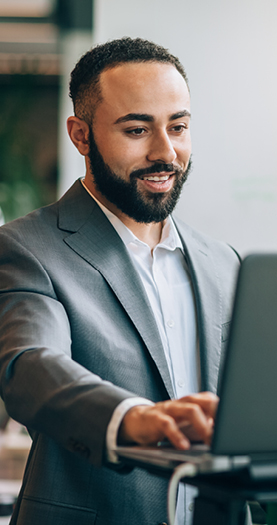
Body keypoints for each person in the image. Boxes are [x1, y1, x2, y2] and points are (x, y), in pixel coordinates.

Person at [0, 38, 240, 525]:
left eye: (179, 127)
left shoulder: (225, 262)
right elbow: (29, 366)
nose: (165, 152)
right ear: (81, 135)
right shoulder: (27, 248)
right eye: (137, 129)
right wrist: (133, 419)